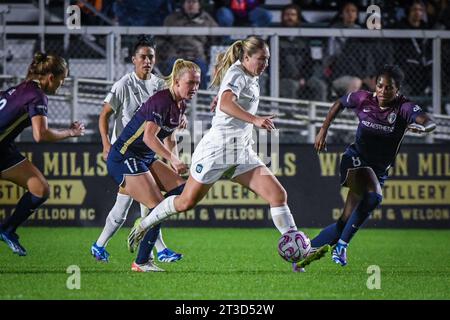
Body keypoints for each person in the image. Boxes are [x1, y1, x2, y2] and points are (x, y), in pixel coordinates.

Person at [128, 36, 329, 272]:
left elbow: (227, 100)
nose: (264, 64)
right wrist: (254, 118)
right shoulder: (238, 73)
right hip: (217, 151)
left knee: (277, 194)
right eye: (261, 59)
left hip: (241, 152)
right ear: (246, 58)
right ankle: (144, 224)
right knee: (185, 203)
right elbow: (226, 103)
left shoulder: (250, 76)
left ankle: (298, 255)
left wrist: (228, 102)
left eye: (267, 59)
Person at [311, 64, 436, 266]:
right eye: (380, 86)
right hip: (354, 160)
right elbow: (339, 103)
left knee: (345, 220)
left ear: (398, 89)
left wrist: (424, 129)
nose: (383, 91)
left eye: (389, 88)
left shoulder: (404, 107)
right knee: (375, 196)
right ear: (375, 85)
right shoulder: (363, 98)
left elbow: (429, 122)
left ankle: (303, 253)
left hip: (378, 170)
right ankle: (342, 247)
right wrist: (323, 130)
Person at [91, 36, 184, 264]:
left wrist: (172, 154)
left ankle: (99, 245)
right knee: (148, 204)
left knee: (127, 206)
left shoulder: (161, 85)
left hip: (147, 152)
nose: (147, 60)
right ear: (133, 59)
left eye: (150, 56)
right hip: (126, 152)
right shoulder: (124, 84)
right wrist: (105, 144)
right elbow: (104, 115)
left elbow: (167, 128)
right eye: (142, 56)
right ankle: (155, 252)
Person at [107, 59, 200, 272]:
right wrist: (174, 160)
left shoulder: (180, 104)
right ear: (176, 82)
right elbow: (149, 137)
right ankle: (141, 262)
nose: (194, 88)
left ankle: (145, 223)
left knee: (182, 191)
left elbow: (169, 138)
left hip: (144, 158)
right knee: (158, 206)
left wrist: (174, 160)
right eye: (190, 83)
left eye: (197, 83)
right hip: (124, 156)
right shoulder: (162, 100)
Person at [0, 52, 85, 256]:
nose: (61, 85)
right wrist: (71, 132)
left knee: (40, 189)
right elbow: (41, 134)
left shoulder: (19, 89)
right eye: (62, 81)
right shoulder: (37, 95)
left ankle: (7, 229)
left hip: (3, 149)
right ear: (50, 78)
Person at [160, 0, 218, 89]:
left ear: (199, 5)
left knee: (200, 70)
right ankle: (172, 98)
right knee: (170, 68)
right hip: (176, 55)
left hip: (197, 56)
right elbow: (161, 39)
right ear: (183, 4)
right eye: (188, 2)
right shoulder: (172, 19)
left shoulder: (207, 20)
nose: (191, 5)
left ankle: (201, 99)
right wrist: (166, 53)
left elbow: (217, 38)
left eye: (194, 2)